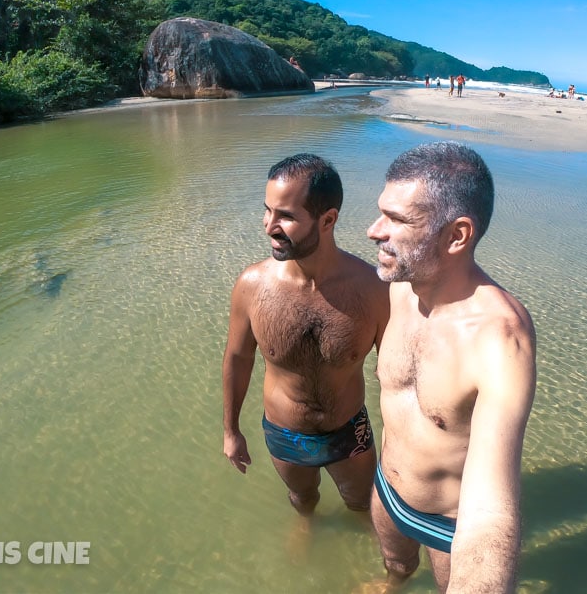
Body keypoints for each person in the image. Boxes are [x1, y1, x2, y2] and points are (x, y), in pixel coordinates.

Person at [365, 142, 537, 593]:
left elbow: (490, 512)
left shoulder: (498, 337)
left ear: (457, 235)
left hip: (449, 524)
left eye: (397, 220)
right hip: (386, 490)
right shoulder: (400, 285)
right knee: (395, 568)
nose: (372, 230)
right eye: (381, 212)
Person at [223, 154, 389, 516]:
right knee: (302, 500)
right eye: (267, 211)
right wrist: (231, 431)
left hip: (350, 431)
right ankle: (307, 530)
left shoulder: (372, 290)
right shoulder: (252, 286)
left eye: (285, 216)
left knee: (363, 504)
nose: (269, 226)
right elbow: (238, 358)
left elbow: (397, 373)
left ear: (327, 220)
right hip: (285, 433)